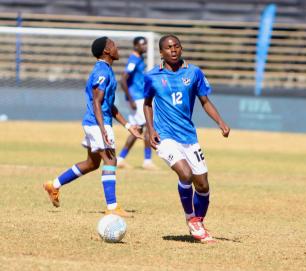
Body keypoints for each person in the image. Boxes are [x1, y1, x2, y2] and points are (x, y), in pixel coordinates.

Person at [143, 34, 230, 243]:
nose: (173, 50)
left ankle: (198, 221)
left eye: (176, 46)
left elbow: (205, 101)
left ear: (181, 49)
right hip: (165, 136)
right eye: (168, 47)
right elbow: (147, 103)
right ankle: (190, 218)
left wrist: (220, 122)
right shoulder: (152, 76)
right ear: (161, 52)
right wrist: (151, 128)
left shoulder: (194, 73)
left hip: (189, 136)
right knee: (185, 173)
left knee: (203, 185)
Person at [43, 36, 142, 217]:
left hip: (95, 123)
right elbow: (97, 102)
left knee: (92, 163)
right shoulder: (102, 72)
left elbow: (109, 105)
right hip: (98, 124)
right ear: (106, 51)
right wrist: (103, 129)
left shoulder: (106, 70)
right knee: (111, 160)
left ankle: (54, 185)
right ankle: (112, 207)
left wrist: (128, 125)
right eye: (113, 45)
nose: (116, 47)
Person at [117, 36, 157, 170]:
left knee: (138, 129)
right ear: (135, 46)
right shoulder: (133, 60)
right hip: (137, 98)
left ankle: (120, 159)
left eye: (145, 44)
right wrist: (131, 98)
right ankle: (147, 161)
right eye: (142, 45)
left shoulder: (139, 59)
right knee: (147, 126)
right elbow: (123, 79)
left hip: (139, 97)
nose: (145, 47)